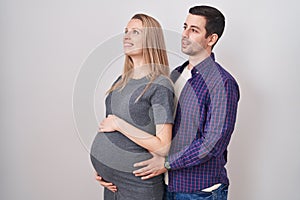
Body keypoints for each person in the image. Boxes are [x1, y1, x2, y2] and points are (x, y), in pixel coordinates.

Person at [131, 5, 240, 199]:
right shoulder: (174, 76)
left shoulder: (222, 83)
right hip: (165, 184)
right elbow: (155, 129)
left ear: (211, 39)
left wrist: (166, 163)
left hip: (199, 192)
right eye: (185, 27)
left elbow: (212, 143)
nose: (185, 34)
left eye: (194, 30)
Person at [90, 13, 174, 200]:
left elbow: (163, 147)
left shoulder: (160, 85)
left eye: (135, 32)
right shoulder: (120, 81)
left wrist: (120, 124)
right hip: (112, 186)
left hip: (138, 186)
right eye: (126, 31)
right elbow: (109, 132)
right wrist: (103, 167)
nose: (127, 36)